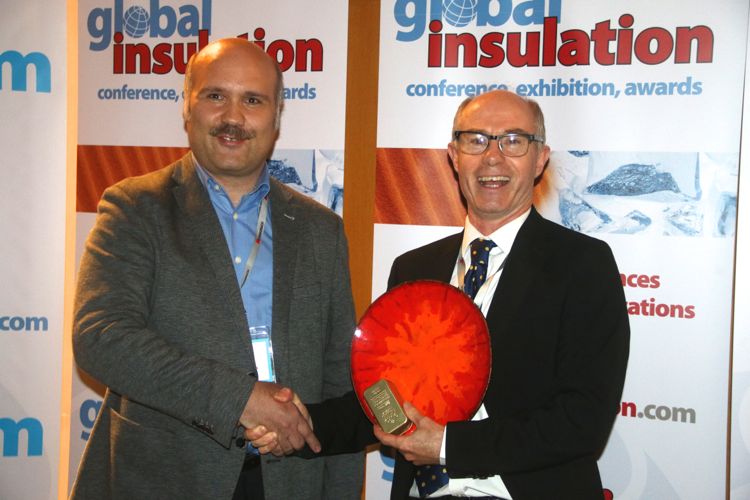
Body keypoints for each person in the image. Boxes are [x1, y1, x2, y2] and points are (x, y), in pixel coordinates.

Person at [253, 89, 630, 499]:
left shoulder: (583, 265)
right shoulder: (414, 269)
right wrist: (298, 424)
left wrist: (448, 446)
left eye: (513, 140)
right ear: (454, 156)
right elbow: (384, 402)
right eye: (476, 140)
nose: (492, 156)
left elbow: (583, 420)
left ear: (540, 158)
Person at [71, 38, 363, 500]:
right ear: (187, 108)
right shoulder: (135, 208)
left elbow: (340, 383)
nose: (233, 117)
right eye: (215, 96)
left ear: (277, 117)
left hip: (288, 481)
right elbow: (101, 336)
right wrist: (240, 400)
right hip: (165, 479)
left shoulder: (320, 229)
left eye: (253, 100)